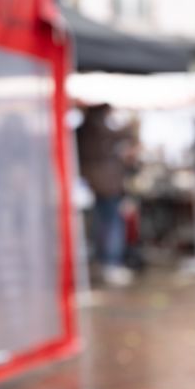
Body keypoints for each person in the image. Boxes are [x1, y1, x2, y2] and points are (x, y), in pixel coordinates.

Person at [76, 105, 137, 286]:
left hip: (95, 184)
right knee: (111, 223)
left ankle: (104, 260)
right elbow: (121, 134)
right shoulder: (97, 130)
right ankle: (110, 262)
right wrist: (132, 125)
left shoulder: (84, 131)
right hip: (107, 186)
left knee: (102, 222)